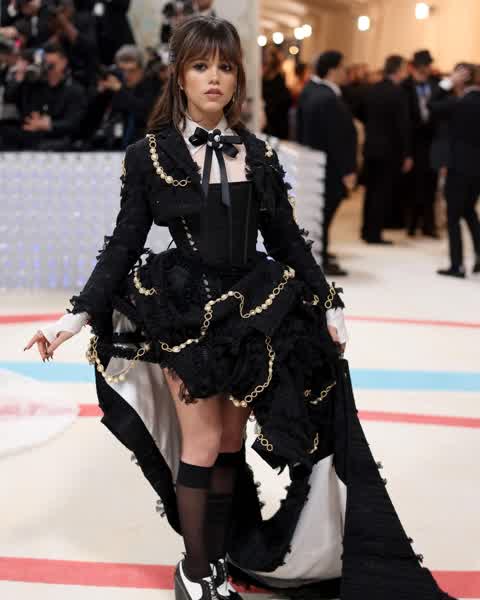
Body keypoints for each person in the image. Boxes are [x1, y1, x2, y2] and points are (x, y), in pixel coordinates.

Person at [24, 16, 457, 600]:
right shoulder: (148, 155)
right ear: (179, 75)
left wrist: (328, 302)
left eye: (225, 67)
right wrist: (73, 317)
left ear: (238, 78)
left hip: (252, 312)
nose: (214, 78)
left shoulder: (257, 153)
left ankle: (219, 557)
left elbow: (287, 239)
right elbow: (123, 244)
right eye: (201, 66)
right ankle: (195, 569)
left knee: (231, 445)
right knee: (202, 444)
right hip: (185, 313)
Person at [296, 50, 357, 276]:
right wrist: (348, 169)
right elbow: (337, 138)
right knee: (324, 212)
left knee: (321, 212)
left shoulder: (312, 91)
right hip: (329, 165)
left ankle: (321, 251)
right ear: (332, 70)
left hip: (318, 162)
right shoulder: (327, 98)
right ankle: (319, 256)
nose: (346, 72)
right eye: (343, 68)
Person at [360, 55, 413, 244]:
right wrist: (407, 154)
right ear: (398, 70)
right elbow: (403, 126)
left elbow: (362, 113)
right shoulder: (398, 93)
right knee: (381, 193)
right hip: (390, 150)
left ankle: (366, 230)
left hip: (371, 147)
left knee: (370, 191)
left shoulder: (373, 89)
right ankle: (374, 234)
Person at [0, 42, 87, 150]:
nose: (48, 69)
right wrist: (20, 77)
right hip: (31, 135)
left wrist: (49, 125)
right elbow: (10, 98)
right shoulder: (34, 85)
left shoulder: (74, 90)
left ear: (63, 63)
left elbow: (74, 123)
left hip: (57, 139)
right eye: (45, 65)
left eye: (51, 65)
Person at [437, 65, 480, 278]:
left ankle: (457, 265)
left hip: (458, 167)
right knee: (469, 211)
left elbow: (431, 105)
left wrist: (447, 83)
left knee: (453, 215)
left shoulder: (460, 103)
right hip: (477, 168)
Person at [81, 44, 163, 149]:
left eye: (132, 71)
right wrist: (99, 93)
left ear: (142, 70)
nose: (126, 75)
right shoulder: (114, 88)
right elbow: (87, 119)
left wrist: (120, 90)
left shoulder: (152, 86)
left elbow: (145, 111)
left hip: (143, 146)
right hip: (112, 147)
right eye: (122, 70)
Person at [402, 49, 440, 237]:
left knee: (430, 186)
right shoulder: (405, 86)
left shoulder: (436, 85)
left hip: (432, 142)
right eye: (422, 65)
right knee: (413, 186)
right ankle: (411, 224)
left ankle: (429, 225)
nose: (425, 68)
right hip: (413, 142)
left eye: (427, 65)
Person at [261, 46, 291, 140]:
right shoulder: (262, 80)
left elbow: (283, 103)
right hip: (267, 124)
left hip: (277, 124)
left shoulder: (279, 80)